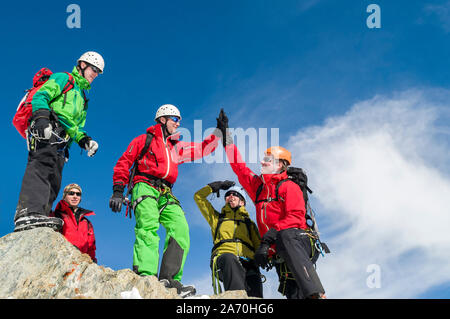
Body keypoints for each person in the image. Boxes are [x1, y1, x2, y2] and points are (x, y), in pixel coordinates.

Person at [109, 104, 224, 298]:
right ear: (162, 120)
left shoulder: (176, 147)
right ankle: (146, 276)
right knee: (148, 226)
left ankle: (169, 280)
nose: (178, 123)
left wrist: (219, 132)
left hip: (166, 191)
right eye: (175, 119)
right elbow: (124, 162)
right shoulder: (144, 140)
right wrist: (118, 191)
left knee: (180, 228)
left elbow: (203, 149)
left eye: (179, 120)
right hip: (144, 185)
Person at [219, 113, 326, 299]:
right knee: (293, 292)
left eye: (268, 159)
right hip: (278, 249)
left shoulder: (288, 186)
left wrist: (267, 238)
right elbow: (239, 167)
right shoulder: (258, 188)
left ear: (281, 165)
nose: (262, 162)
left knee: (286, 235)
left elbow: (295, 217)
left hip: (298, 241)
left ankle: (317, 294)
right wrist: (226, 137)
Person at [14, 51, 104, 232]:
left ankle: (41, 217)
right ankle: (27, 213)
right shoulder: (65, 78)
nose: (95, 74)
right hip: (47, 129)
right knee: (41, 167)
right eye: (93, 68)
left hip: (62, 142)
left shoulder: (83, 98)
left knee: (54, 179)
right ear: (82, 65)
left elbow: (74, 126)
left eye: (98, 72)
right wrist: (41, 119)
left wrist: (84, 140)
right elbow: (42, 95)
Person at [194, 181, 263, 297]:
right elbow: (198, 197)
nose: (230, 196)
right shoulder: (217, 219)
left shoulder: (249, 223)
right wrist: (214, 186)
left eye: (234, 194)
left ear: (242, 202)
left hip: (248, 262)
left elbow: (258, 245)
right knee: (229, 258)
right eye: (228, 195)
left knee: (255, 292)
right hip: (224, 258)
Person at [51, 183, 97, 263]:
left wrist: (93, 261)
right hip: (62, 259)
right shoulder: (55, 215)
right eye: (71, 193)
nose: (75, 196)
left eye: (78, 194)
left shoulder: (87, 223)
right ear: (65, 196)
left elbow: (91, 247)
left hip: (82, 262)